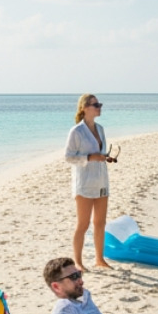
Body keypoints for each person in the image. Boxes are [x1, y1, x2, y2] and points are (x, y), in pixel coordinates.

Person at [64, 93, 118, 270]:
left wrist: (104, 157)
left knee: (100, 222)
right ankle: (78, 263)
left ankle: (99, 259)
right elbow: (69, 157)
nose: (99, 107)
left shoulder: (100, 129)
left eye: (100, 104)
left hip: (102, 180)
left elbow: (99, 152)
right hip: (85, 183)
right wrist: (89, 157)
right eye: (96, 105)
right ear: (85, 108)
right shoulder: (76, 131)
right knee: (83, 224)